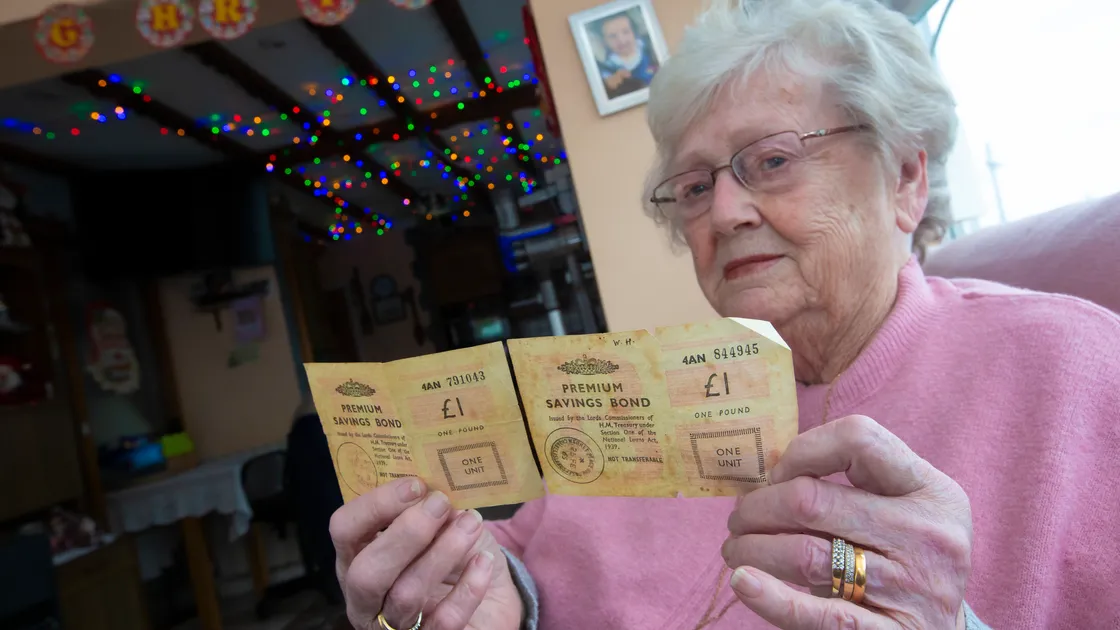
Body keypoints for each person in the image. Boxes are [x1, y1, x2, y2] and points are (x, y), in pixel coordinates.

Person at [327, 1, 1120, 628]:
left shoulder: (1072, 368)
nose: (726, 210)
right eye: (697, 186)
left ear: (906, 177)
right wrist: (481, 597)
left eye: (771, 160)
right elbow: (522, 555)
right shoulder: (647, 391)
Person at [594, 11, 659, 99]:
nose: (621, 40)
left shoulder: (650, 49)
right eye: (612, 36)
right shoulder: (606, 70)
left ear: (634, 32)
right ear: (604, 42)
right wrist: (608, 86)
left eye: (626, 32)